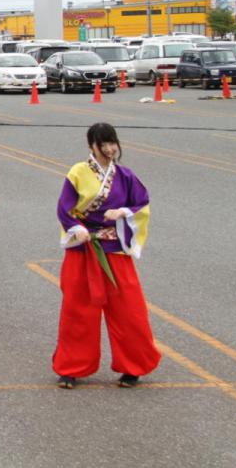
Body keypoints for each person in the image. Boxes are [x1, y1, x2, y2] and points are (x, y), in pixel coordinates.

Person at [54, 122, 159, 389]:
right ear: (92, 146)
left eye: (113, 143)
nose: (111, 149)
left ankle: (133, 367)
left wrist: (123, 212)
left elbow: (142, 203)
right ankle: (71, 368)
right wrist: (77, 228)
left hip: (116, 251)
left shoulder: (125, 176)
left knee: (129, 311)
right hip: (84, 249)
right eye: (104, 144)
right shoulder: (77, 172)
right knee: (78, 310)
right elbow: (64, 208)